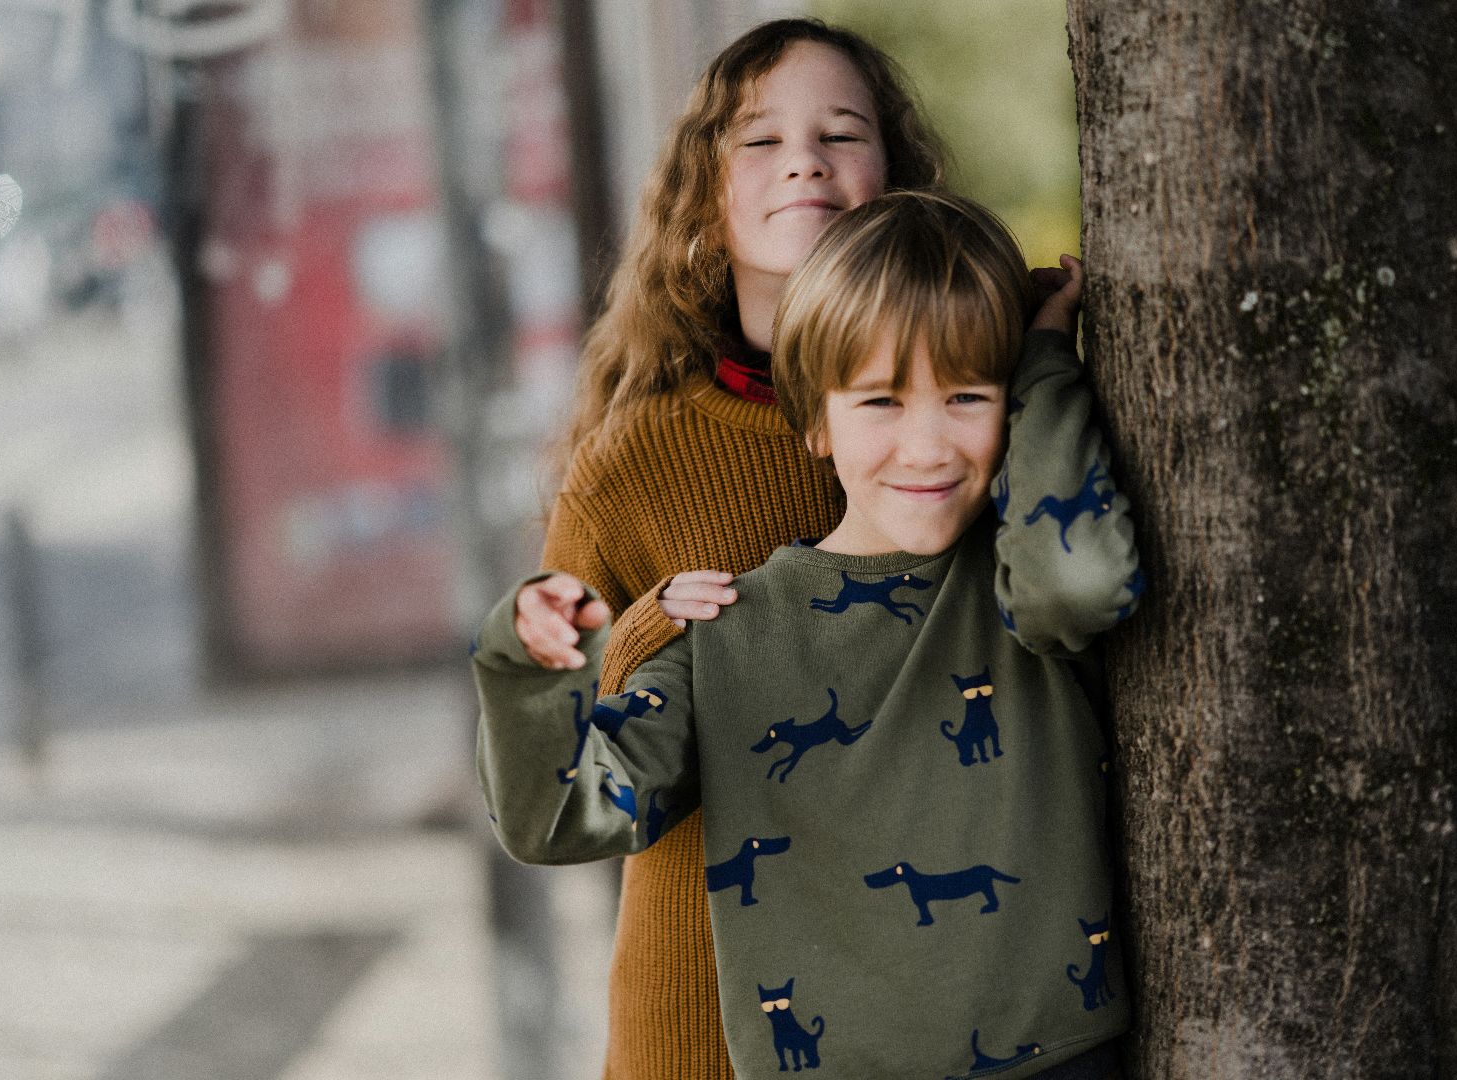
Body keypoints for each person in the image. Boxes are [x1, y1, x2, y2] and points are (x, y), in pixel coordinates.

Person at [477, 191, 1142, 1080]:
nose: (927, 446)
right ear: (815, 421)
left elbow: (1086, 581)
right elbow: (562, 819)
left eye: (967, 395)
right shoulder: (727, 634)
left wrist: (1049, 363)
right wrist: (531, 667)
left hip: (1057, 1062)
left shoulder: (1016, 578)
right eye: (880, 401)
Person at [513, 18, 945, 1079]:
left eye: (842, 132)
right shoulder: (632, 463)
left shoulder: (964, 419)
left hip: (932, 993)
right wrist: (654, 633)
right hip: (701, 1007)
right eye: (759, 140)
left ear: (893, 178)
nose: (804, 157)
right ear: (705, 198)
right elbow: (554, 775)